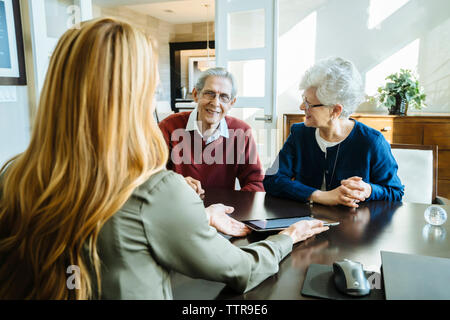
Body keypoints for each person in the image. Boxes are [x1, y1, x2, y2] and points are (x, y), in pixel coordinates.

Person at [0, 18, 328, 300]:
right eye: (151, 91)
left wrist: (196, 217)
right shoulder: (155, 190)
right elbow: (240, 269)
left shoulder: (13, 176)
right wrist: (287, 237)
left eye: (224, 96)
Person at [264, 57, 404, 207]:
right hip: (304, 224)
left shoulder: (372, 141)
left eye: (308, 103)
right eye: (303, 100)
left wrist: (369, 189)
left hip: (353, 226)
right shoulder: (299, 134)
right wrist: (321, 196)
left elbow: (395, 191)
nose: (301, 107)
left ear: (336, 110)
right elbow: (273, 179)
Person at [159, 68, 264, 194]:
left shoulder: (242, 132)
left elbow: (256, 183)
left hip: (223, 211)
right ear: (196, 95)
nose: (215, 103)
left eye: (224, 97)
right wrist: (175, 184)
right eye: (209, 93)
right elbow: (149, 177)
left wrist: (230, 208)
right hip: (179, 207)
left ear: (232, 103)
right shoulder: (169, 126)